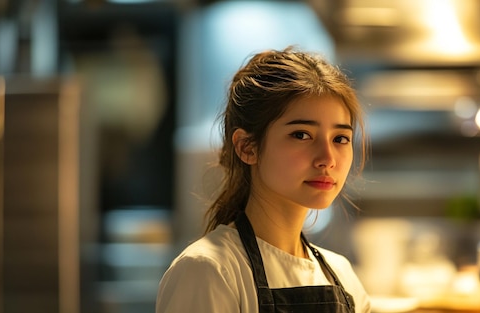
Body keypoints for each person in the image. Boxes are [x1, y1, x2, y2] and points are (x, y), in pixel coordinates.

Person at [156, 46, 371, 313]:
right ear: (247, 147)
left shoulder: (343, 276)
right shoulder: (209, 271)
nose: (327, 158)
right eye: (302, 135)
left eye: (340, 139)